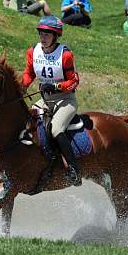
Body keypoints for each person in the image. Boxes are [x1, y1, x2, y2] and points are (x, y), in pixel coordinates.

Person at [22, 16, 82, 186]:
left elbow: (74, 81)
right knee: (27, 121)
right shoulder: (33, 51)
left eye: (47, 34)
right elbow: (29, 73)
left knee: (56, 129)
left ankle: (73, 170)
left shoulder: (65, 55)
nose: (43, 37)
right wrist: (23, 86)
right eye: (41, 33)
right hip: (45, 100)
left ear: (55, 36)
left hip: (66, 100)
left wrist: (56, 86)